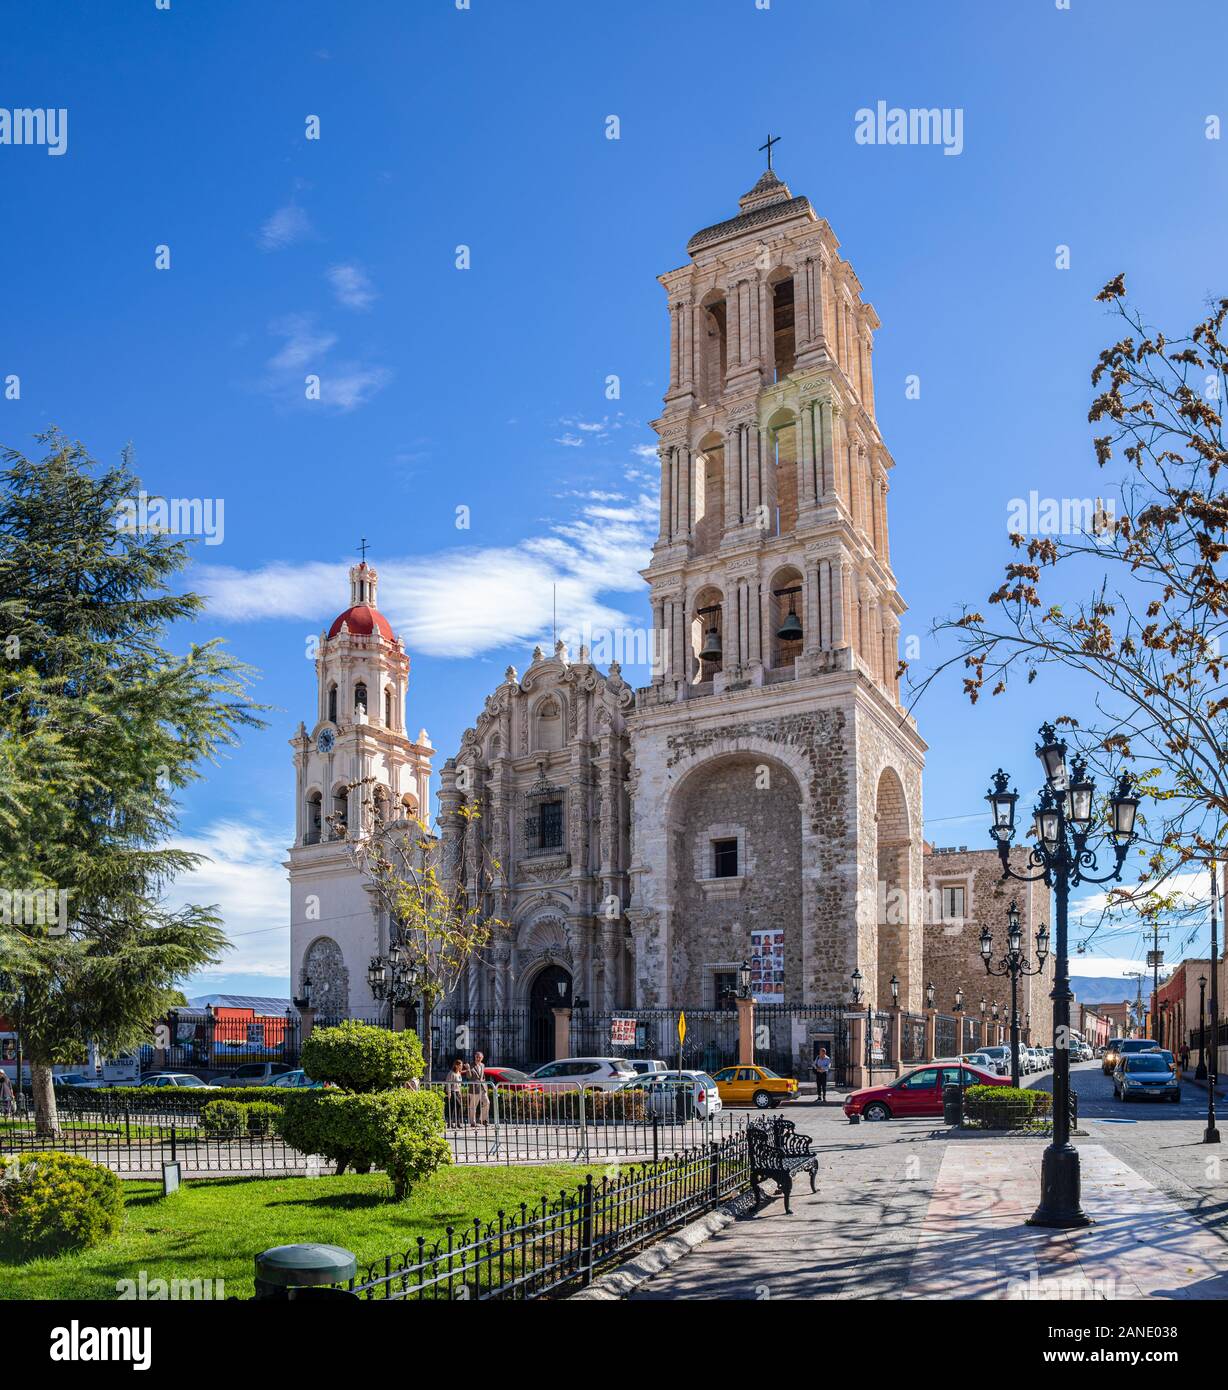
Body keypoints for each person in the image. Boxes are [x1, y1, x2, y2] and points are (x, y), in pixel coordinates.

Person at [467, 1050, 491, 1126]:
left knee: (487, 1102)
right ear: (475, 1057)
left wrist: (485, 1085)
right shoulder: (471, 1065)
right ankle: (472, 1122)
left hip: (482, 1087)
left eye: (480, 1057)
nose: (478, 1058)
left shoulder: (482, 1065)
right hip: (474, 1088)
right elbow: (469, 1077)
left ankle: (483, 1120)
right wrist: (468, 1069)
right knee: (473, 1106)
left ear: (482, 1058)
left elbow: (482, 1076)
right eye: (477, 1057)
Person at [444, 1058, 465, 1126]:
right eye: (460, 1065)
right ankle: (450, 1122)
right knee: (453, 1107)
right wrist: (449, 1092)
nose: (461, 1067)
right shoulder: (451, 1073)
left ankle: (457, 1122)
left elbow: (459, 1084)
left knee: (458, 1106)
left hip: (457, 1091)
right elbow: (448, 1083)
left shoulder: (459, 1073)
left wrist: (460, 1092)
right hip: (452, 1091)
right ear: (456, 1065)